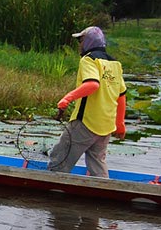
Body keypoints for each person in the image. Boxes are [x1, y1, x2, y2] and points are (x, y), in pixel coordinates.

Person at [47, 26, 127, 178]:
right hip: (106, 125)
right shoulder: (115, 64)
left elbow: (92, 84)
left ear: (88, 42)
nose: (79, 45)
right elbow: (121, 95)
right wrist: (120, 123)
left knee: (59, 159)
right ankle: (104, 192)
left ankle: (50, 188)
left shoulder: (88, 60)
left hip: (86, 123)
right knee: (97, 163)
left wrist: (67, 98)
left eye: (81, 40)